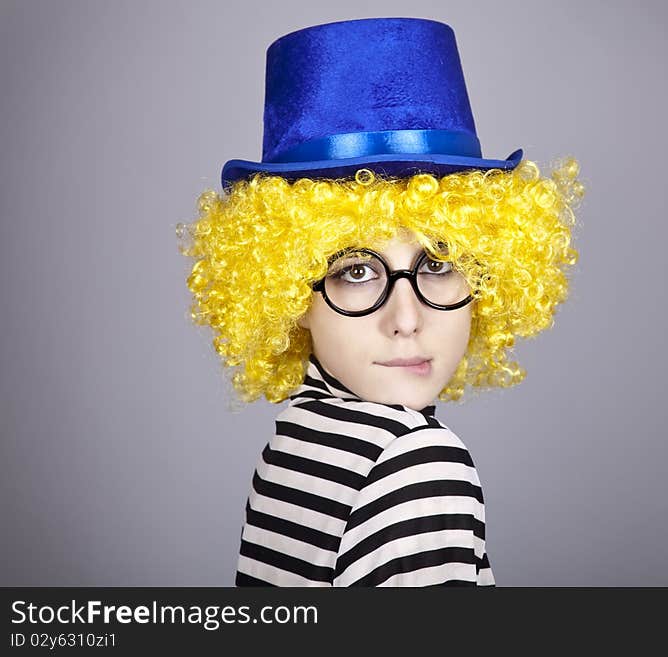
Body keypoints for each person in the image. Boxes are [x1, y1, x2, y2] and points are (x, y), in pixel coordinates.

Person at [177, 17, 584, 586]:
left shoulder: (298, 437)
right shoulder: (416, 465)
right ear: (291, 291)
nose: (406, 320)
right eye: (357, 271)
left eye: (438, 264)